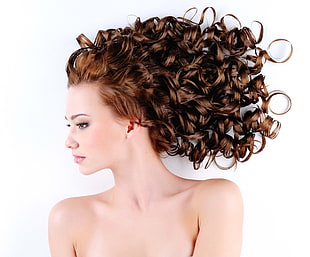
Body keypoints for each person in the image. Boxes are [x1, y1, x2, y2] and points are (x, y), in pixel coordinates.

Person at [48, 6, 291, 257]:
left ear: (131, 124)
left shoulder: (214, 202)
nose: (69, 141)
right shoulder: (67, 220)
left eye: (82, 124)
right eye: (71, 125)